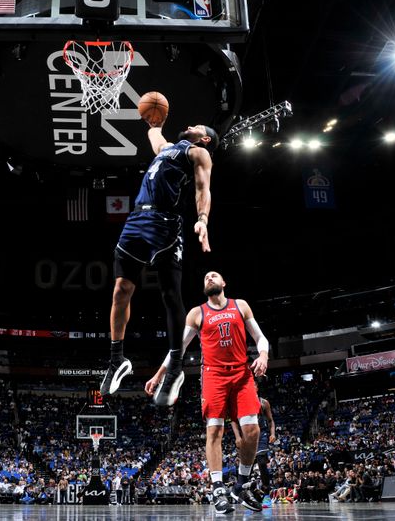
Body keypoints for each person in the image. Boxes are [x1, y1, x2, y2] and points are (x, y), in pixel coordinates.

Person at [100, 115, 219, 406]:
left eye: (198, 126)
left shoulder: (198, 152)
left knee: (170, 295)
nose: (192, 123)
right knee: (120, 290)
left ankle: (176, 367)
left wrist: (202, 220)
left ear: (204, 139)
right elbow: (154, 133)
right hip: (138, 218)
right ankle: (117, 360)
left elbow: (203, 188)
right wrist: (154, 119)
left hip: (165, 223)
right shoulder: (166, 148)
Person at [145, 270, 269, 513]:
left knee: (252, 430)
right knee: (215, 430)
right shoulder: (197, 313)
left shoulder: (240, 306)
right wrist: (158, 375)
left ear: (224, 282)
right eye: (205, 278)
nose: (209, 278)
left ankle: (241, 484)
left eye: (214, 276)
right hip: (214, 375)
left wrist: (263, 355)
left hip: (242, 373)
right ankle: (218, 488)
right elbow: (177, 349)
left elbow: (260, 337)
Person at [230, 393, 275, 507]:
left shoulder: (263, 402)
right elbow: (234, 420)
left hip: (262, 434)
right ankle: (246, 492)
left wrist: (273, 433)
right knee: (246, 466)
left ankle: (266, 494)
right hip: (246, 435)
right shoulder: (239, 401)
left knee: (262, 462)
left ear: (256, 387)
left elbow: (270, 420)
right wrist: (237, 437)